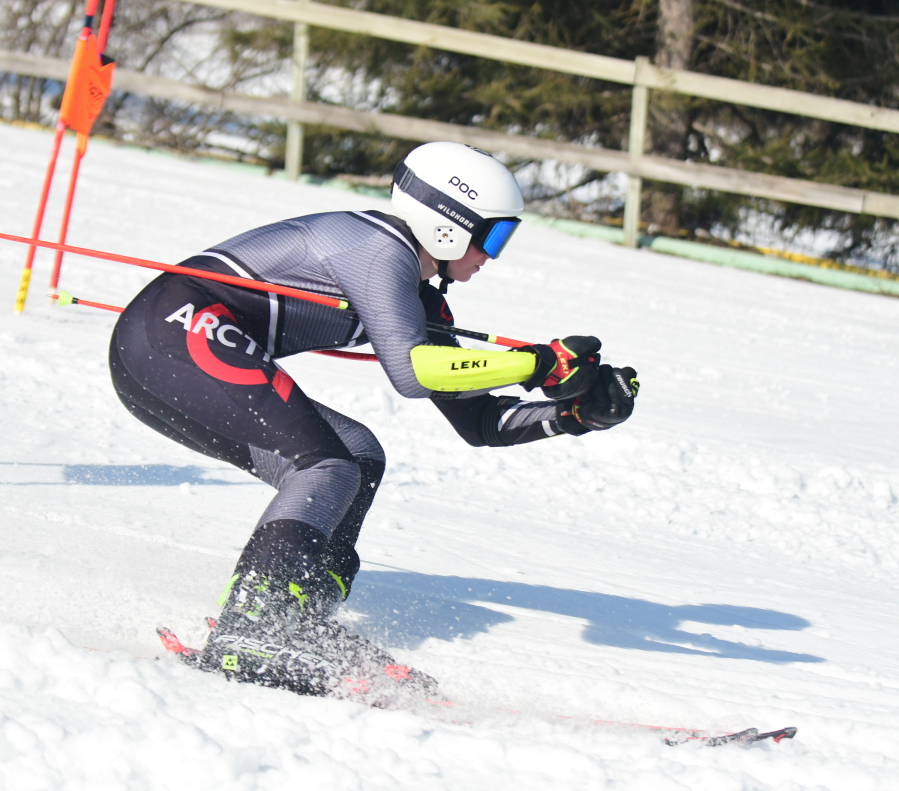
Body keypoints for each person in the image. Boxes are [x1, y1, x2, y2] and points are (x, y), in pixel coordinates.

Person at [110, 142, 638, 700]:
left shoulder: (417, 293)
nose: (492, 256)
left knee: (358, 455)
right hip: (171, 333)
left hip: (169, 349)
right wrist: (534, 364)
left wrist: (574, 415)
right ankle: (256, 622)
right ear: (448, 226)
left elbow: (480, 420)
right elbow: (412, 373)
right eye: (493, 236)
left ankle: (299, 612)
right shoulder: (379, 249)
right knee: (325, 466)